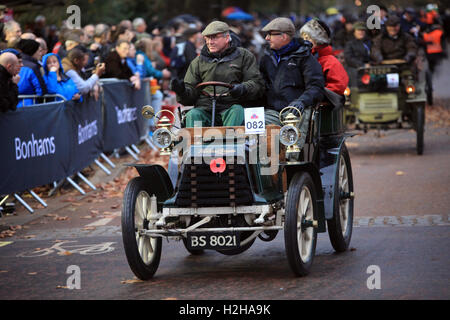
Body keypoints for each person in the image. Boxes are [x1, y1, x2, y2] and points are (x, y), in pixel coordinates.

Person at [170, 21, 264, 127]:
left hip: (232, 107)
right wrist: (181, 91)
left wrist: (242, 88)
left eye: (214, 37)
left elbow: (257, 84)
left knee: (237, 110)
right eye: (207, 38)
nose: (210, 42)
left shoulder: (244, 56)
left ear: (227, 38)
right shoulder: (198, 62)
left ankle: (231, 141)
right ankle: (194, 143)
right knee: (193, 114)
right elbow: (190, 95)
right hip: (205, 109)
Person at [259, 17, 324, 131]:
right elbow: (260, 84)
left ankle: (295, 149)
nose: (267, 38)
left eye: (270, 34)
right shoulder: (266, 58)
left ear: (284, 36)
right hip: (271, 112)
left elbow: (316, 86)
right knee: (254, 133)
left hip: (296, 111)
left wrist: (302, 101)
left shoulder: (305, 57)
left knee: (292, 142)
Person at [299, 18, 349, 96]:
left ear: (318, 40)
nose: (304, 41)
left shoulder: (330, 62)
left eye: (308, 38)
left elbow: (339, 85)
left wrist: (316, 95)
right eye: (303, 38)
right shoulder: (301, 57)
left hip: (319, 105)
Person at [16, 38, 47, 106]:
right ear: (33, 51)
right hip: (29, 105)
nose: (41, 54)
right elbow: (41, 91)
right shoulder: (33, 67)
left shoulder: (13, 62)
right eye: (39, 51)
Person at [344, 21, 372, 86]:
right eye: (359, 30)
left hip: (370, 68)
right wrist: (362, 65)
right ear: (354, 32)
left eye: (363, 30)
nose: (361, 32)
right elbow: (349, 58)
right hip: (355, 69)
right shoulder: (350, 44)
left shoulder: (369, 42)